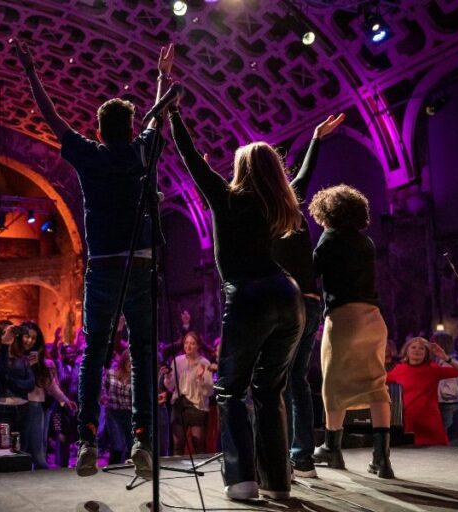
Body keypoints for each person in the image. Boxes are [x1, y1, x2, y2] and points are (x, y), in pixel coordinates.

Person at [15, 38, 174, 479]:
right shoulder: (143, 150)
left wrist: (32, 73)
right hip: (141, 266)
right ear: (128, 128)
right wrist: (162, 77)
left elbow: (53, 119)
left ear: (99, 132)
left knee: (95, 354)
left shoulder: (89, 155)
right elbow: (156, 118)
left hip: (103, 267)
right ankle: (143, 438)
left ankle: (86, 441)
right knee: (143, 353)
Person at [169, 99, 305, 500]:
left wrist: (175, 113)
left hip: (249, 295)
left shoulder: (227, 197)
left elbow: (190, 158)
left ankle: (243, 481)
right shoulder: (276, 202)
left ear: (241, 168)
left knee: (230, 390)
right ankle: (278, 482)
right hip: (288, 294)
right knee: (269, 391)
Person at [272, 113, 346, 478]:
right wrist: (316, 137)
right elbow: (304, 172)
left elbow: (302, 173)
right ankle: (301, 458)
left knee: (279, 378)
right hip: (311, 302)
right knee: (297, 377)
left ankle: (285, 453)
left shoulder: (261, 211)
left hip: (285, 302)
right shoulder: (291, 202)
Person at [308, 184, 394, 479]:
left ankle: (332, 448)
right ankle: (381, 460)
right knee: (376, 385)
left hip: (344, 319)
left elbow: (311, 273)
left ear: (326, 212)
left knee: (333, 385)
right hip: (373, 318)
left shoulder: (329, 238)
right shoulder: (366, 242)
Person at [387, 337, 458, 445]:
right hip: (408, 421)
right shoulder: (399, 369)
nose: (417, 350)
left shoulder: (433, 369)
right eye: (413, 347)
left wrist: (445, 357)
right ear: (406, 350)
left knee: (436, 457)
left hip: (430, 422)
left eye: (421, 348)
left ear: (426, 353)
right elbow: (380, 382)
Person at [22, 321, 77, 469]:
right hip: (18, 406)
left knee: (40, 446)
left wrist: (65, 400)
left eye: (33, 338)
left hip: (40, 404)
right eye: (27, 337)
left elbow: (50, 383)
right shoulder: (14, 356)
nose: (30, 341)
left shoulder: (38, 359)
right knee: (25, 448)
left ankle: (46, 476)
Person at [164, 331, 214, 456]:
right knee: (178, 444)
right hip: (180, 404)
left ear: (198, 346)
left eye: (192, 343)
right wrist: (168, 376)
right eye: (186, 343)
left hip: (197, 405)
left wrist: (201, 379)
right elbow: (170, 386)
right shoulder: (177, 361)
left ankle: (203, 473)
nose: (188, 346)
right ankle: (178, 474)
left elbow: (209, 391)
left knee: (198, 443)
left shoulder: (205, 363)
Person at [0, 322, 35, 446]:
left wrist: (9, 382)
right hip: (3, 410)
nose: (10, 336)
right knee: (4, 450)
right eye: (5, 333)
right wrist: (4, 346)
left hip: (24, 408)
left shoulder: (22, 358)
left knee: (22, 449)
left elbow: (30, 384)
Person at [103, 350, 133, 464]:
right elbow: (102, 388)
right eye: (129, 361)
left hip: (130, 415)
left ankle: (127, 473)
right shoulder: (111, 374)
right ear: (124, 361)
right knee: (118, 446)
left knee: (132, 447)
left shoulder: (136, 379)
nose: (131, 364)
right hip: (114, 414)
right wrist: (103, 397)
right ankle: (112, 470)